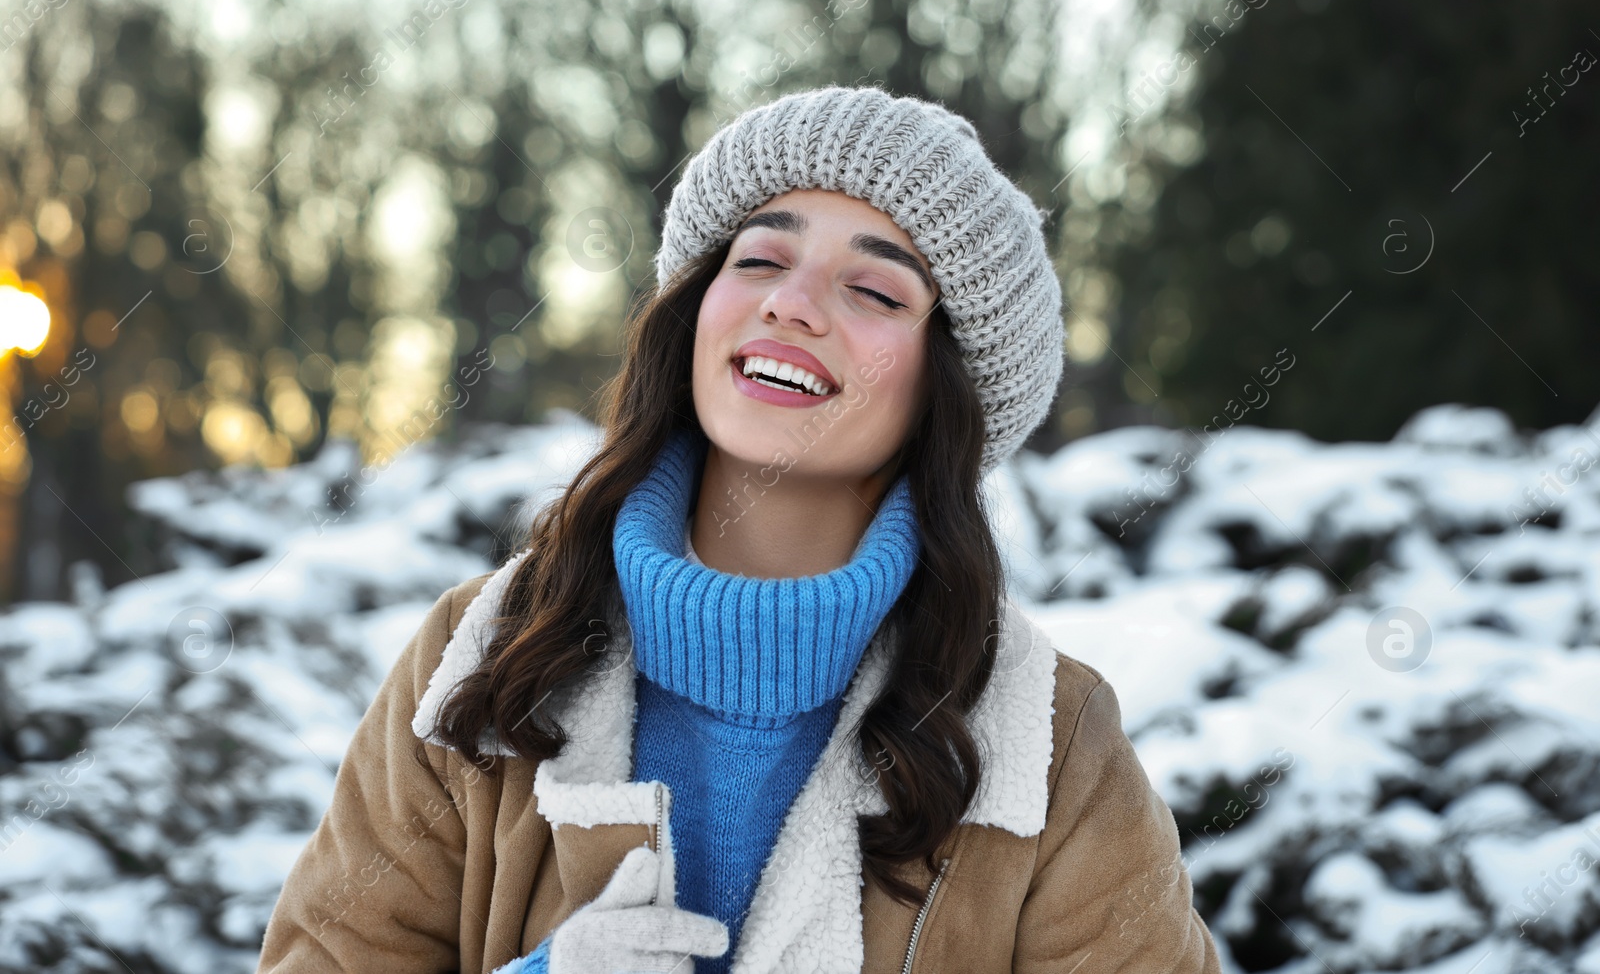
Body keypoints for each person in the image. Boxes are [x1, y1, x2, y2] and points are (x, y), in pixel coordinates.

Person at [255, 85, 1221, 973]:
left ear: (947, 391)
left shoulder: (1049, 741)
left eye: (877, 290)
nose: (789, 303)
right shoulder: (478, 654)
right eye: (759, 257)